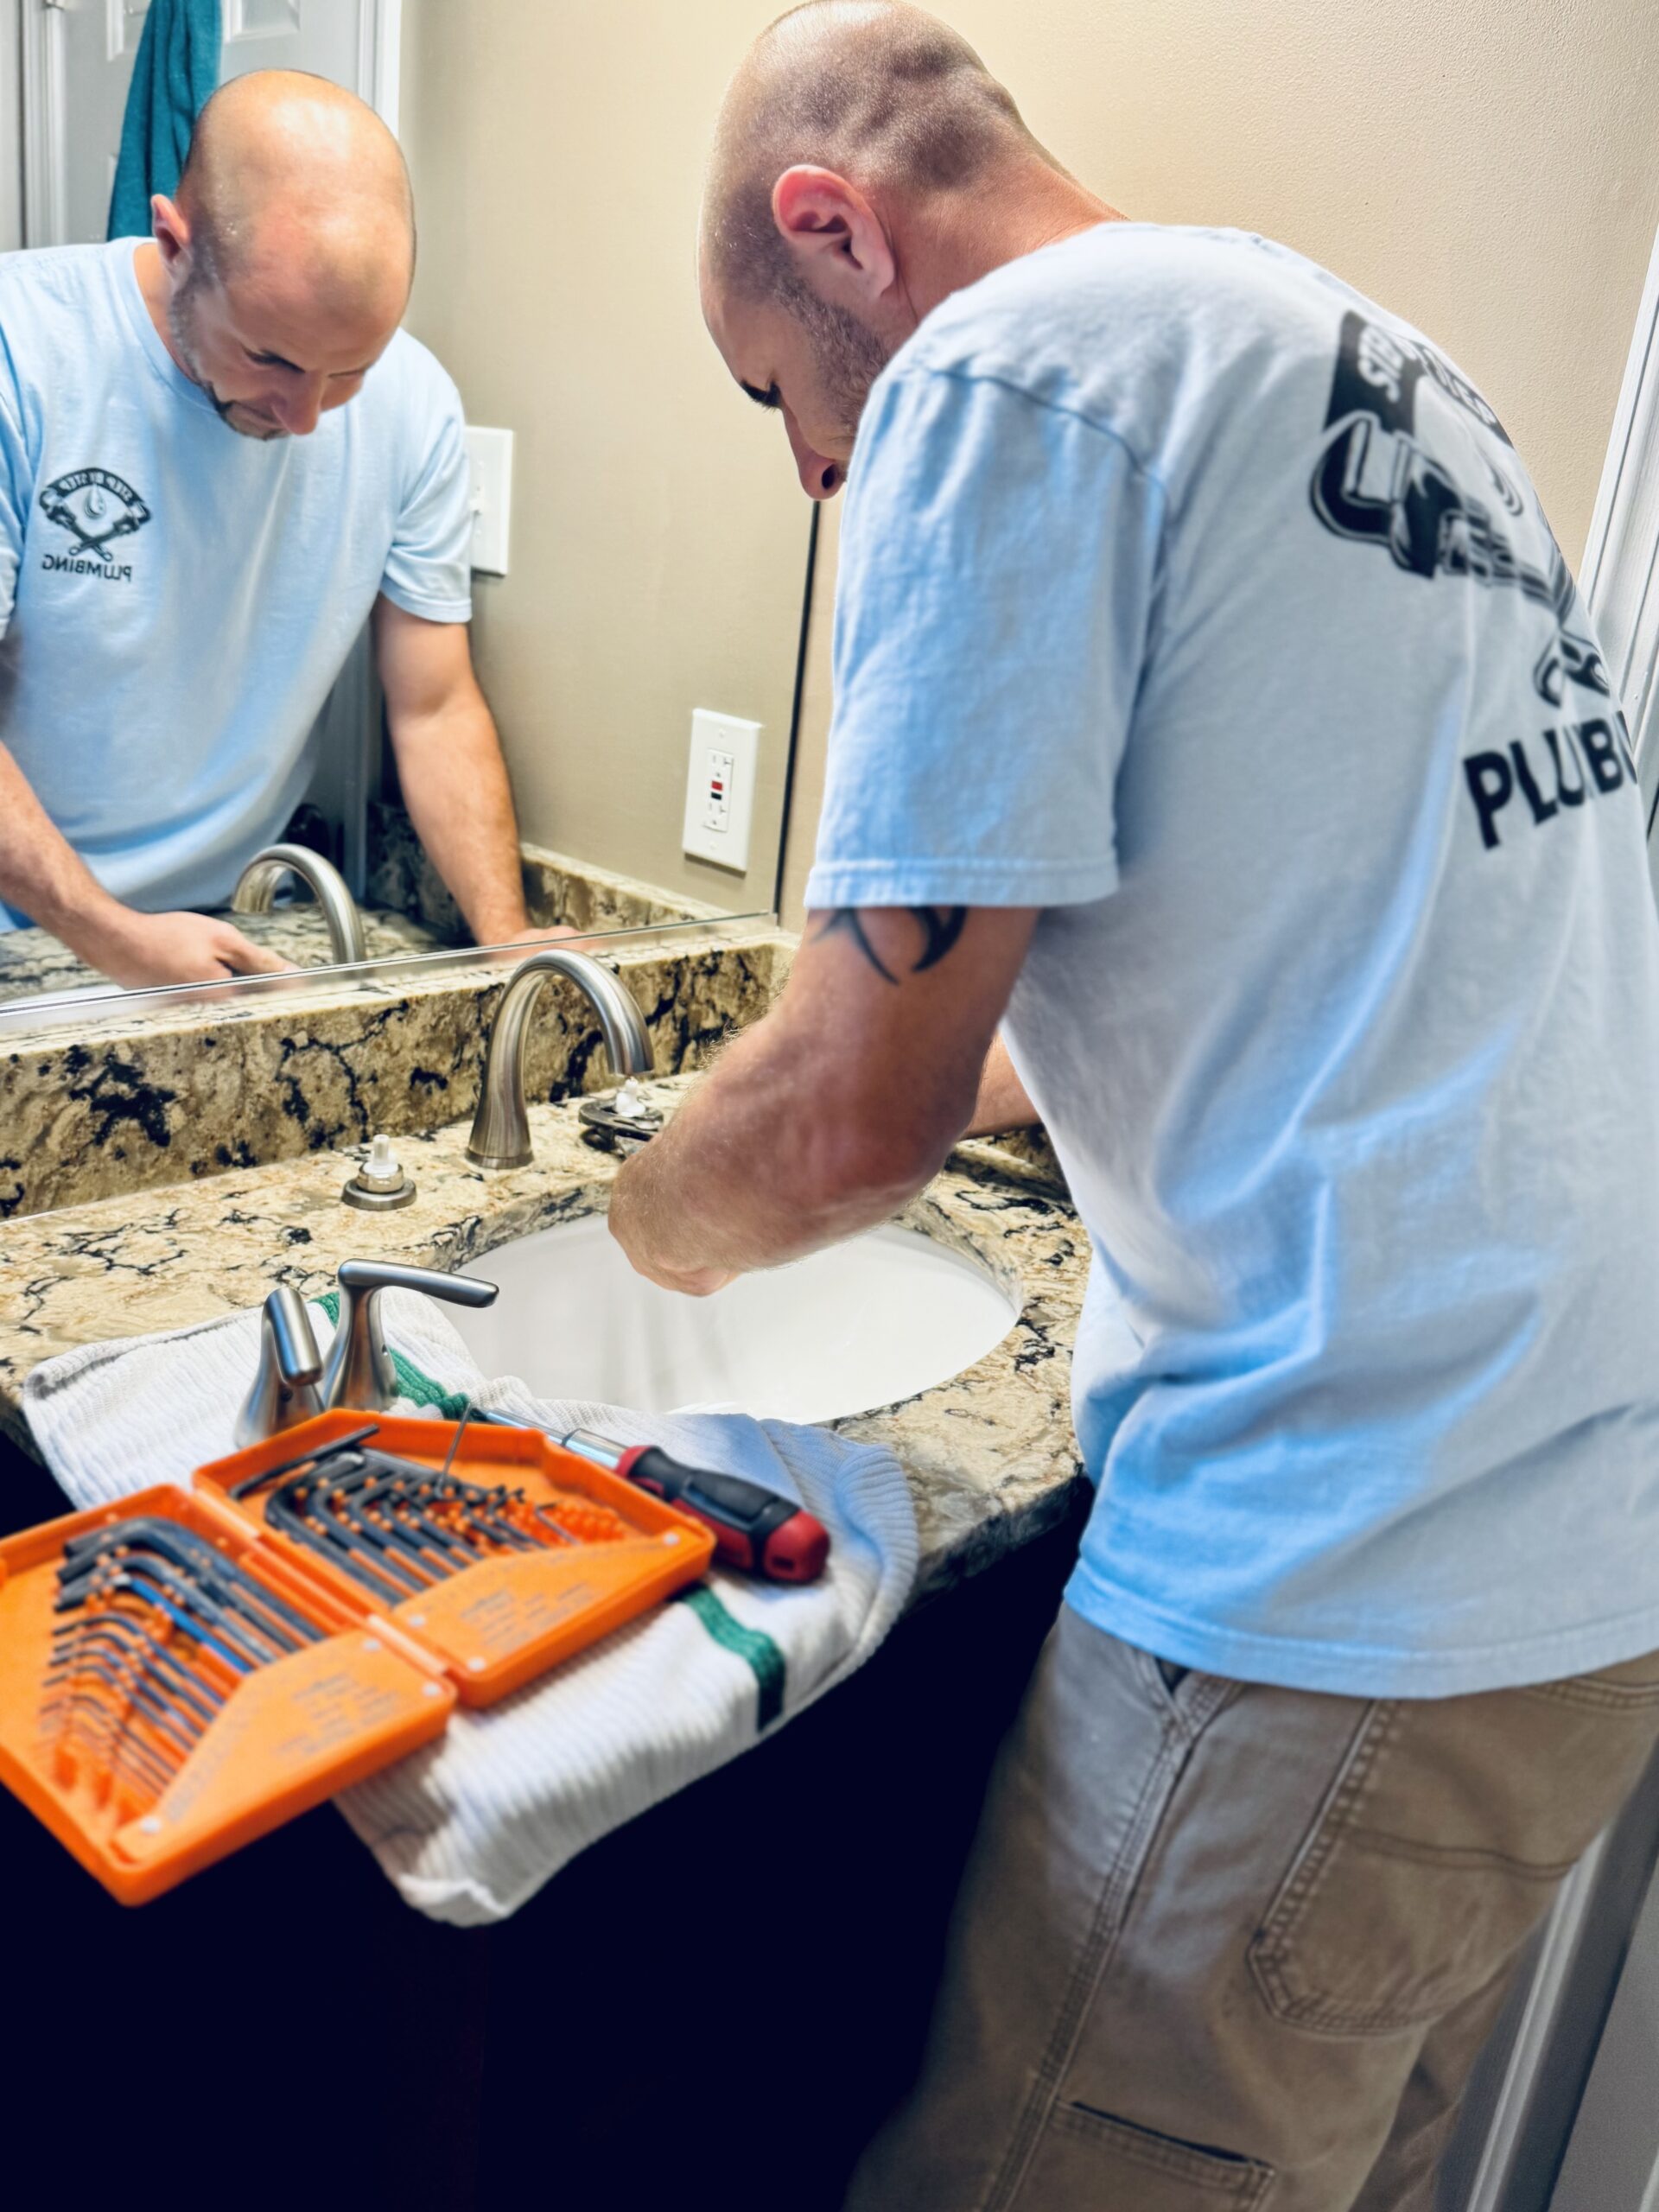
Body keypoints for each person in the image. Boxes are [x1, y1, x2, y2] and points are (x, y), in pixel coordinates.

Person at [607, 5, 1659, 2207]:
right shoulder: (1338, 350)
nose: (809, 468)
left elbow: (840, 1120)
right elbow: (1265, 950)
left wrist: (638, 1220)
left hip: (1342, 1588)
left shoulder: (1005, 380)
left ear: (835, 232)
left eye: (775, 393)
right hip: (1573, 1584)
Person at [0, 71, 556, 988]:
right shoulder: (27, 349)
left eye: (350, 371)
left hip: (217, 922)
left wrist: (509, 937)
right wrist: (103, 930)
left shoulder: (416, 407)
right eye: (272, 357)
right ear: (174, 245)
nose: (307, 417)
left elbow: (434, 705)